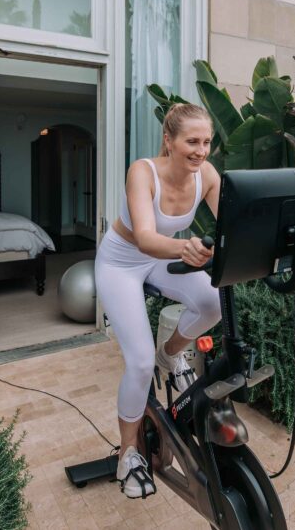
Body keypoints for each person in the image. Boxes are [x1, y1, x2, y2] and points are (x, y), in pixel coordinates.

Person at [94, 103, 222, 499]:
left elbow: (233, 224)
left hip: (161, 260)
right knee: (137, 361)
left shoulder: (208, 176)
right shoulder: (142, 172)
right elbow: (146, 237)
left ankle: (171, 352)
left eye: (207, 142)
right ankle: (128, 453)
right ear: (169, 140)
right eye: (192, 141)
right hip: (122, 262)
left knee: (212, 303)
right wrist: (188, 248)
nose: (201, 151)